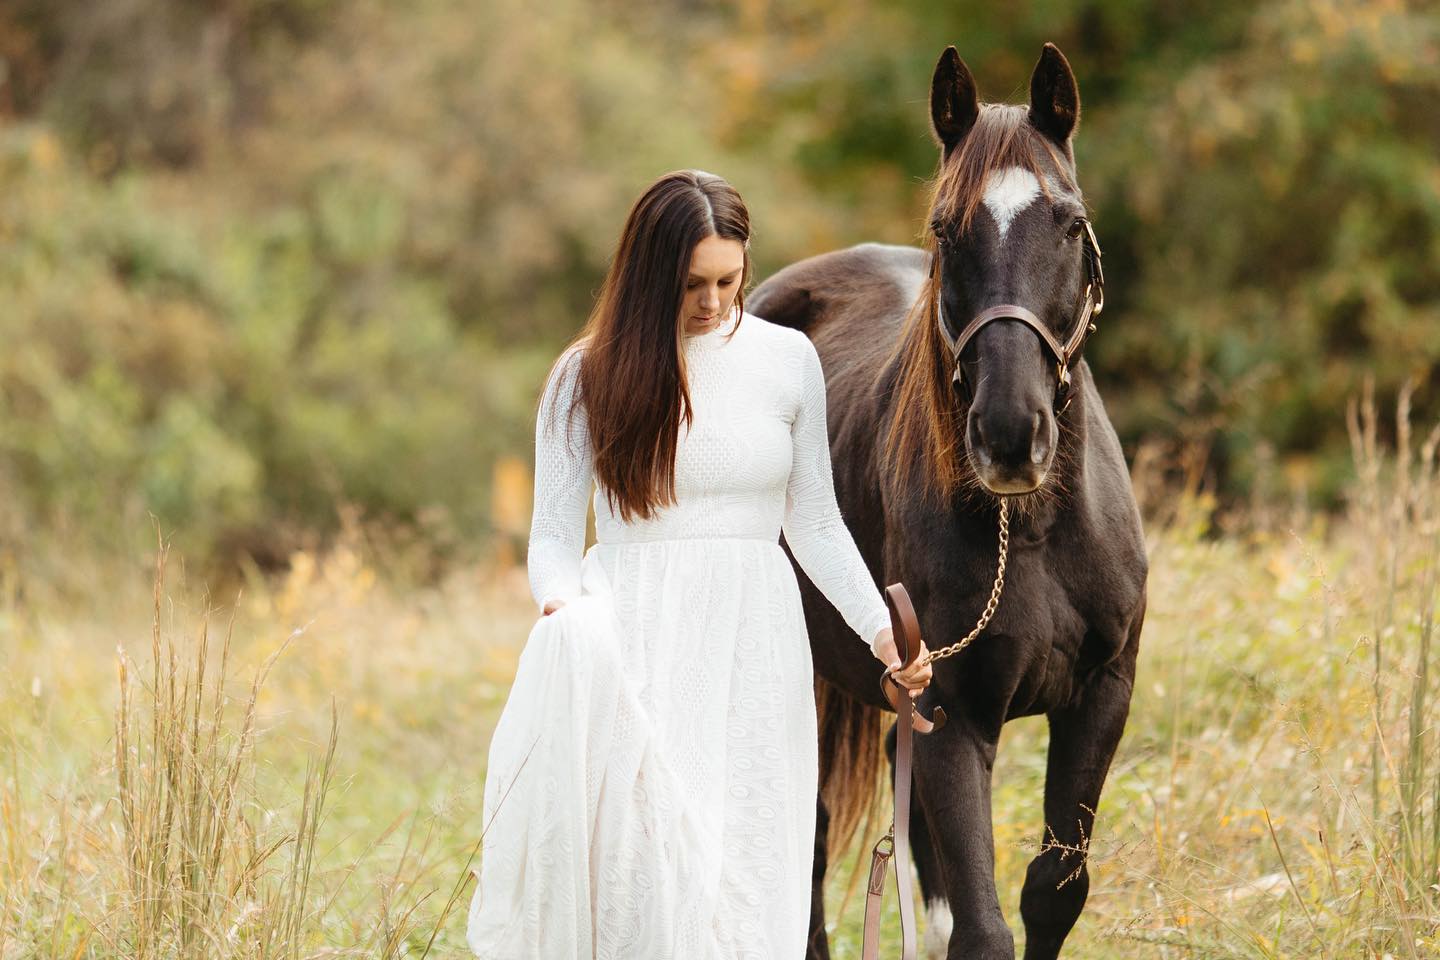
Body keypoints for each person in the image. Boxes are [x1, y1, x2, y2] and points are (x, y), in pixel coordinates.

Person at [466, 169, 932, 959]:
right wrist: (562, 609)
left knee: (749, 862)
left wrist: (882, 633)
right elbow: (551, 535)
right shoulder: (585, 374)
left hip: (755, 641)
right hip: (636, 638)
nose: (713, 303)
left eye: (729, 279)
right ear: (649, 276)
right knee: (644, 867)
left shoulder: (787, 361)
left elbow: (815, 520)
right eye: (690, 285)